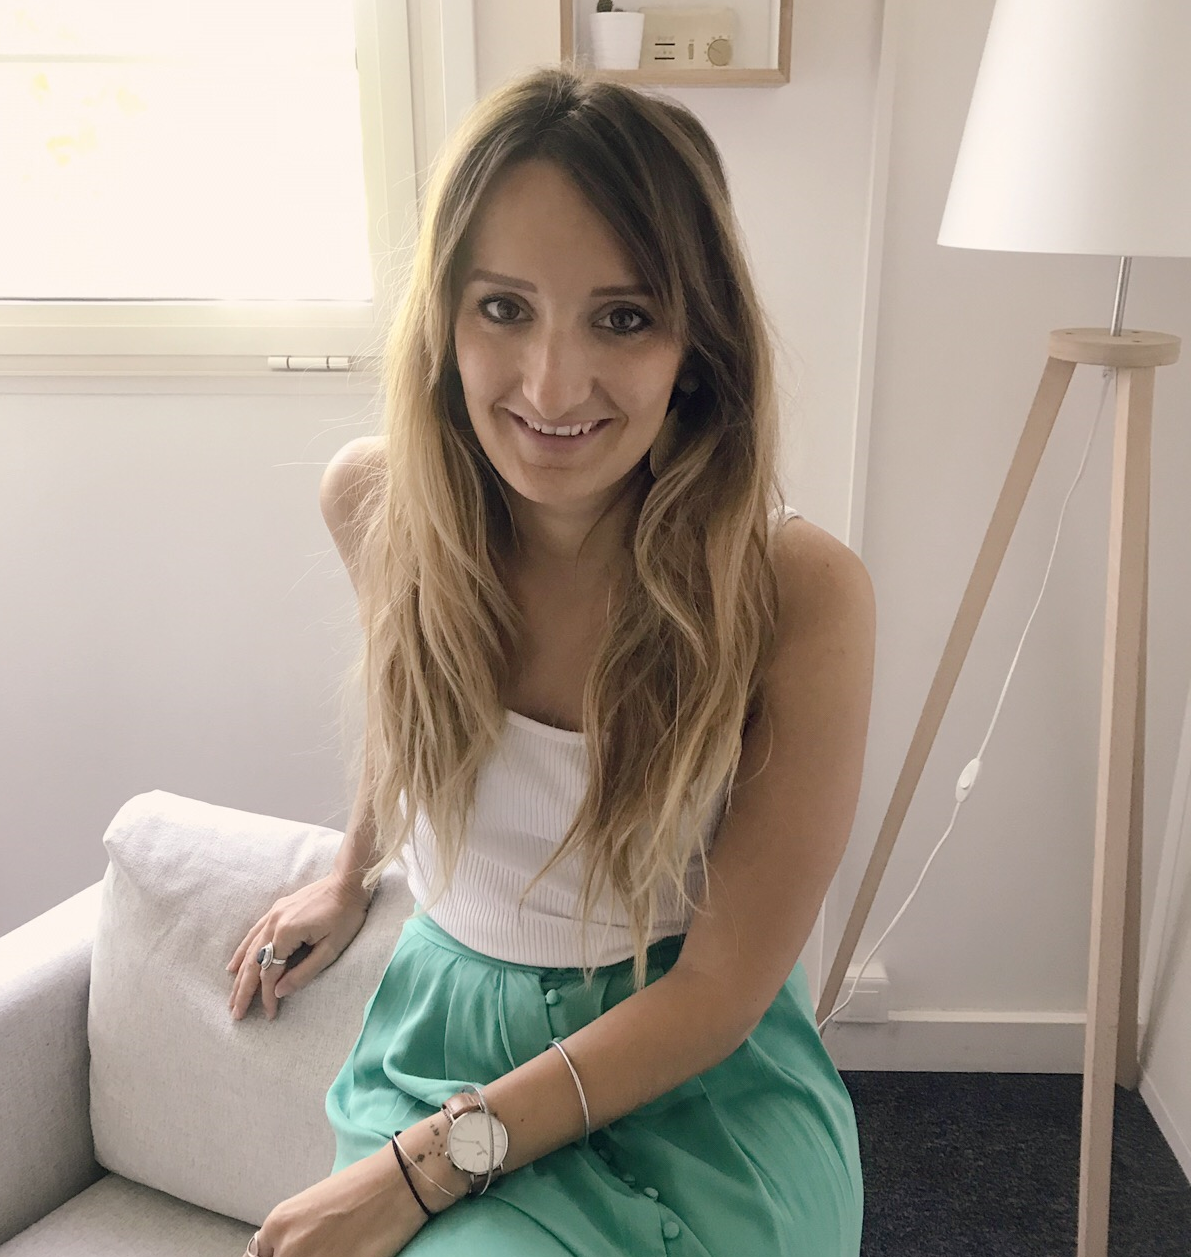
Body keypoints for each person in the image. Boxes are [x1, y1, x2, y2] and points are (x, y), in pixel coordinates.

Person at [225, 63, 875, 1257]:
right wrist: (350, 870)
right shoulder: (375, 504)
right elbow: (413, 708)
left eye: (621, 318)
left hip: (689, 1083)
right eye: (503, 308)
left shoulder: (796, 592)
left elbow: (719, 994)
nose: (551, 385)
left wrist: (424, 1170)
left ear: (696, 344)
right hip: (441, 1042)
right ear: (444, 321)